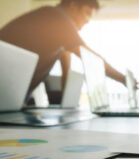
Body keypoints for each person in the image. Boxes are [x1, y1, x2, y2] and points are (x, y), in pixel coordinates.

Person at [0, 0, 129, 103]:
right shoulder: (56, 16)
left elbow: (66, 66)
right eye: (87, 13)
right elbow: (88, 56)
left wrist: (65, 101)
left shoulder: (59, 33)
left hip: (10, 97)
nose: (88, 20)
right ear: (73, 4)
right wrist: (124, 79)